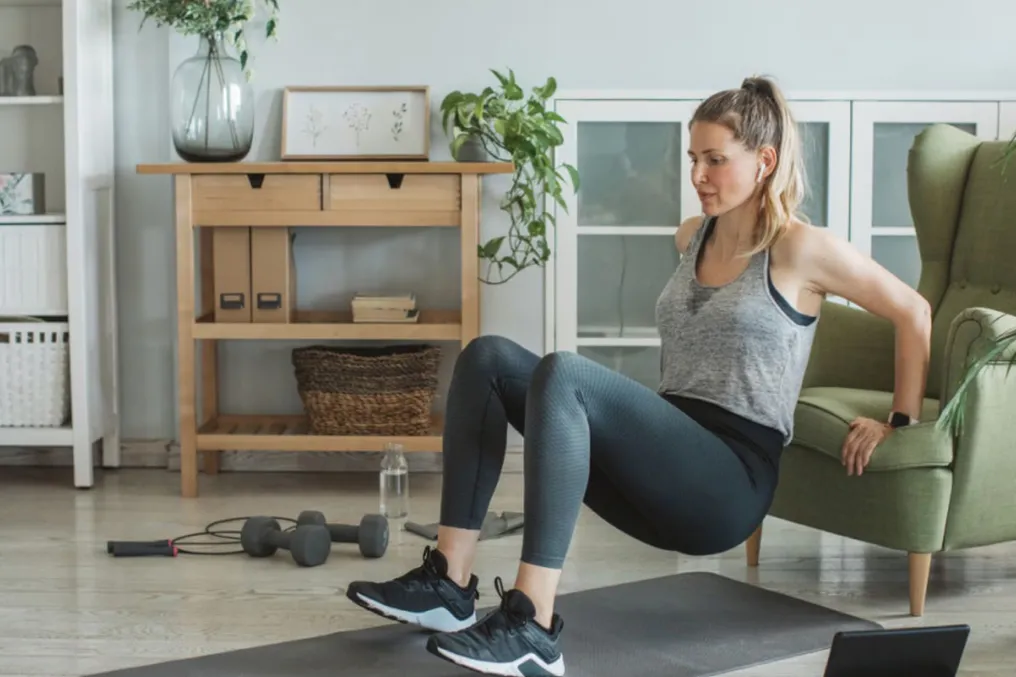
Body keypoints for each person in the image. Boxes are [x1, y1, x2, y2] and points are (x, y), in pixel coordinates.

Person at [344, 75, 932, 677]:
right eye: (693, 159)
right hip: (668, 456)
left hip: (728, 482)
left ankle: (533, 625)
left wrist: (899, 420)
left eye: (715, 160)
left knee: (565, 374)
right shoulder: (691, 237)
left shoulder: (800, 248)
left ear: (765, 161)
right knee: (487, 357)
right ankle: (450, 582)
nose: (698, 175)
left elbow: (914, 312)